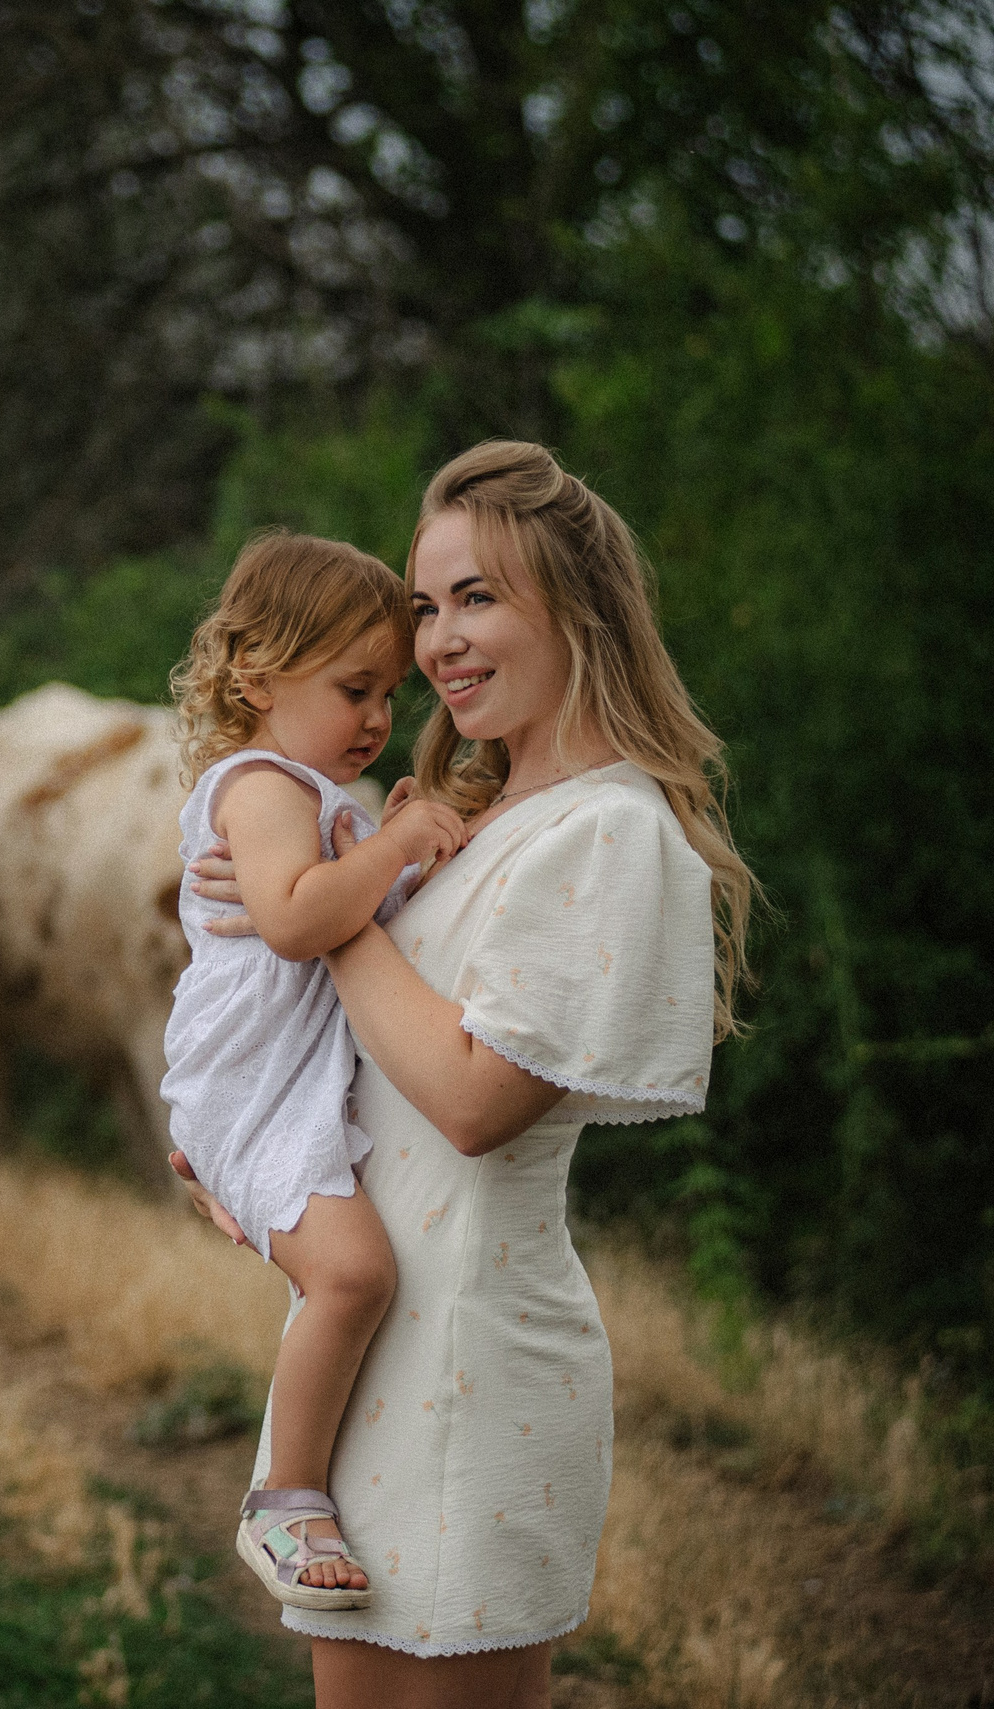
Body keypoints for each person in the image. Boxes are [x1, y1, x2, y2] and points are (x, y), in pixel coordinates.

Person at [177, 441, 754, 1708]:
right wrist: (243, 1145)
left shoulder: (611, 827)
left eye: (476, 597)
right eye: (427, 605)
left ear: (577, 602)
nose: (438, 640)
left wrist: (324, 911)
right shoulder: (457, 811)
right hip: (371, 1353)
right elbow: (366, 1070)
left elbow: (475, 1101)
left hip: (479, 1367)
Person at [158, 531, 469, 1611]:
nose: (379, 717)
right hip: (247, 1080)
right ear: (256, 676)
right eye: (354, 687)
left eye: (390, 692)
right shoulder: (257, 787)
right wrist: (394, 844)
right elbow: (294, 922)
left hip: (280, 1076)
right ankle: (282, 1499)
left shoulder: (317, 791)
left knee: (346, 1274)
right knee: (352, 1274)